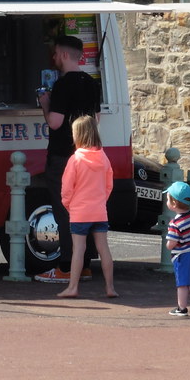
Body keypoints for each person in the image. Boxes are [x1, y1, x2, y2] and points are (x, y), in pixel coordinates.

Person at [34, 34, 102, 284]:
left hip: (63, 156)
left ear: (63, 55)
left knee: (64, 211)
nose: (53, 58)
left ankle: (64, 266)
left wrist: (45, 102)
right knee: (84, 210)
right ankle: (83, 265)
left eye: (54, 54)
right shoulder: (92, 82)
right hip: (87, 154)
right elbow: (96, 121)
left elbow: (55, 122)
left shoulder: (63, 85)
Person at [56, 116, 117, 299]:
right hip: (99, 210)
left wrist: (68, 205)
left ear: (78, 135)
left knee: (78, 250)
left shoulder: (75, 159)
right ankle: (110, 288)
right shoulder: (104, 157)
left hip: (79, 212)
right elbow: (109, 185)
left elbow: (67, 188)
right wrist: (100, 201)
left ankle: (73, 287)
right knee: (103, 248)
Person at [164, 181, 190, 317]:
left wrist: (168, 245)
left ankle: (182, 308)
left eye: (168, 199)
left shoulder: (175, 223)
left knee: (182, 283)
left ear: (174, 204)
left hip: (182, 256)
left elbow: (171, 243)